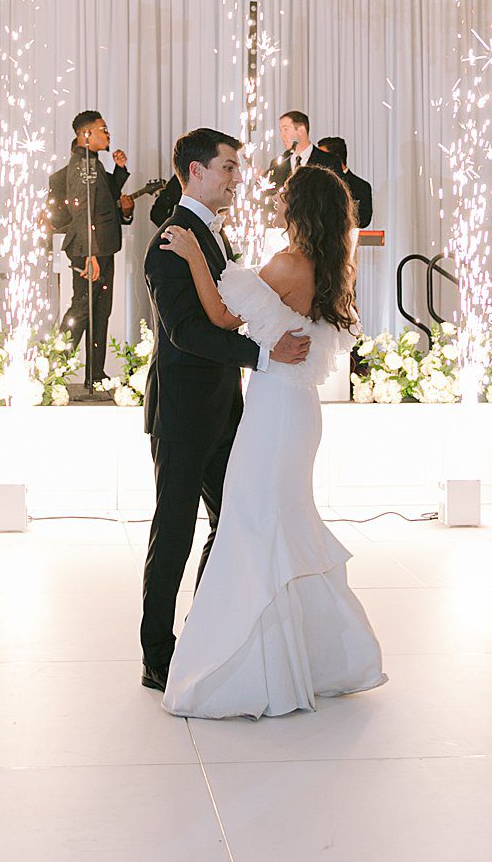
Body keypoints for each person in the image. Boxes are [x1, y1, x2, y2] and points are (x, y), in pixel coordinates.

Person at [158, 158, 384, 717]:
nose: (276, 198)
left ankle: (259, 670)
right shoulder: (328, 264)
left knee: (253, 523)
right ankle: (309, 657)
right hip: (295, 408)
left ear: (301, 207)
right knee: (278, 524)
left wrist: (194, 257)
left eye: (285, 193)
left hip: (276, 411)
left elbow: (220, 315)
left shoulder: (287, 264)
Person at [139, 127, 310, 693]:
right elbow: (185, 332)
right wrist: (263, 354)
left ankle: (203, 634)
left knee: (231, 521)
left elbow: (225, 308)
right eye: (229, 167)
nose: (238, 178)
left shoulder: (212, 235)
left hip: (223, 409)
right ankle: (157, 655)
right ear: (195, 171)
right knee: (174, 532)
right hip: (183, 413)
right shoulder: (171, 240)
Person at [46, 110, 134, 388]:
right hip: (90, 250)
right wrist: (90, 254)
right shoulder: (82, 166)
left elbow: (103, 200)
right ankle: (53, 371)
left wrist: (119, 171)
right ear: (86, 135)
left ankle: (95, 374)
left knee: (99, 311)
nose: (108, 134)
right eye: (103, 129)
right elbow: (82, 211)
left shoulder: (92, 163)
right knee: (82, 309)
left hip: (100, 247)